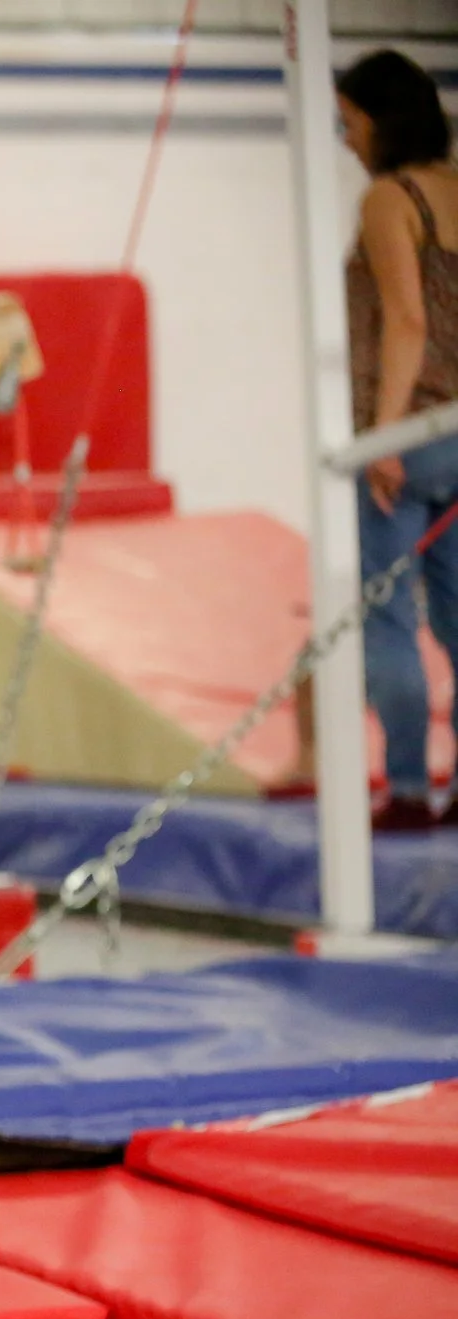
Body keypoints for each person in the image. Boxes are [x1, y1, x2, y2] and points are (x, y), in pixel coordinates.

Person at [339, 48, 458, 831]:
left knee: (387, 617)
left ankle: (410, 788)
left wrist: (381, 437)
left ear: (382, 122)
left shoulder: (392, 199)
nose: (346, 139)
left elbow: (408, 319)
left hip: (410, 431)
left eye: (350, 123)